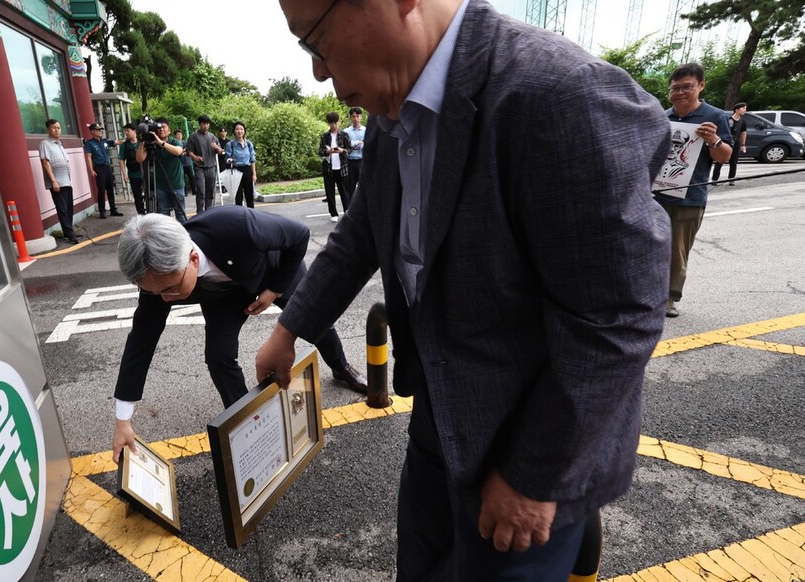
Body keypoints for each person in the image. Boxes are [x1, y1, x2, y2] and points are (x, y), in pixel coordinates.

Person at [256, 1, 672, 579]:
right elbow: (359, 236)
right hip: (439, 417)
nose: (318, 72)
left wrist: (534, 474)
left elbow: (618, 317)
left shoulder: (558, 94)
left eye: (314, 42)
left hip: (530, 447)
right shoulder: (389, 112)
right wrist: (288, 328)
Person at [110, 207, 367, 463]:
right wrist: (123, 420)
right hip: (224, 295)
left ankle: (340, 366)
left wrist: (273, 290)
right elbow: (140, 342)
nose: (165, 299)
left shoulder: (236, 226)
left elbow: (299, 235)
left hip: (273, 271)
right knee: (218, 356)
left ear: (193, 259)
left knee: (316, 319)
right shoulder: (157, 282)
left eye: (171, 290)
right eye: (155, 293)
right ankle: (245, 419)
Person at [656, 63, 732, 318]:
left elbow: (724, 157)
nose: (680, 92)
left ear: (701, 86)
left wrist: (714, 140)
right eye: (675, 88)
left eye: (687, 86)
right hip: (656, 194)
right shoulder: (663, 117)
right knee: (649, 245)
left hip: (689, 197)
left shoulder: (715, 116)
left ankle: (668, 298)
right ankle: (647, 293)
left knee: (677, 250)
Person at [135, 117, 187, 224]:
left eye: (164, 127)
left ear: (169, 130)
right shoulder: (150, 143)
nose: (161, 129)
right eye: (159, 128)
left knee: (180, 214)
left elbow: (178, 151)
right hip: (160, 188)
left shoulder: (174, 142)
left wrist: (161, 143)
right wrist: (142, 141)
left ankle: (184, 238)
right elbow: (139, 158)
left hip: (176, 185)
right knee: (163, 217)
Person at [39, 119, 80, 244]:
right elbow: (45, 163)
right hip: (57, 182)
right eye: (54, 128)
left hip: (66, 181)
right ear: (48, 129)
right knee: (62, 209)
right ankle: (69, 234)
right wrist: (53, 181)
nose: (57, 130)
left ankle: (69, 231)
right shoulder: (45, 144)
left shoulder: (59, 144)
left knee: (68, 208)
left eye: (58, 128)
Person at [186, 115, 226, 214]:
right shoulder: (193, 137)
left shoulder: (212, 137)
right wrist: (195, 157)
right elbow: (188, 151)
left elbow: (221, 152)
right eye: (204, 124)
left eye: (207, 124)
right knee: (201, 191)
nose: (206, 126)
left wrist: (216, 147)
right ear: (200, 124)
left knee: (211, 191)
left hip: (211, 167)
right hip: (199, 168)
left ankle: (209, 212)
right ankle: (200, 213)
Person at [84, 122, 123, 219]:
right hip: (99, 168)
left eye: (101, 130)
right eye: (98, 130)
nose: (100, 131)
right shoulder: (89, 143)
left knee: (110, 189)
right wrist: (91, 170)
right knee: (101, 190)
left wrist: (128, 140)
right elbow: (88, 157)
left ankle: (113, 209)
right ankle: (102, 211)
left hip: (107, 167)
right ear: (92, 132)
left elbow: (116, 142)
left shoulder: (105, 141)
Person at [318, 111, 352, 222]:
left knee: (344, 192)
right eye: (331, 123)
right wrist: (328, 152)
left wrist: (343, 150)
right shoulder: (324, 136)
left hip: (342, 168)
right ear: (328, 123)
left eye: (335, 123)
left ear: (339, 122)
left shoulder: (344, 135)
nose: (333, 126)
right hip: (329, 169)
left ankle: (347, 211)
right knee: (330, 192)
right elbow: (320, 152)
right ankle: (333, 213)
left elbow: (350, 150)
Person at [711, 102, 747, 187]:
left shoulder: (743, 122)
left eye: (745, 108)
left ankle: (731, 179)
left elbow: (743, 133)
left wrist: (743, 144)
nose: (745, 110)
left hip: (736, 141)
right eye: (743, 108)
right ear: (737, 110)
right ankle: (714, 179)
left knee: (734, 161)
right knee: (720, 160)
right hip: (726, 141)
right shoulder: (727, 119)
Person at [225, 122, 257, 208]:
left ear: (244, 131)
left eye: (241, 129)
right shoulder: (230, 145)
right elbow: (227, 159)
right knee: (238, 197)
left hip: (247, 170)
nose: (239, 131)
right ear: (234, 131)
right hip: (236, 171)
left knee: (249, 195)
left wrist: (254, 174)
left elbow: (252, 159)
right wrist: (230, 160)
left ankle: (251, 216)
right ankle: (239, 218)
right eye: (237, 129)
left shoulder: (249, 144)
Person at [119, 123, 146, 215]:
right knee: (137, 196)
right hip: (133, 174)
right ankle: (141, 214)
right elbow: (121, 160)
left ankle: (150, 211)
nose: (126, 133)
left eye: (128, 130)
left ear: (134, 131)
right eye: (125, 131)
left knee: (149, 193)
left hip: (145, 173)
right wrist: (124, 174)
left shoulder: (142, 142)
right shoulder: (124, 145)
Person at [344, 106, 366, 197]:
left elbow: (368, 144)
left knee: (364, 187)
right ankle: (350, 209)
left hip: (362, 161)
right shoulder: (346, 132)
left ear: (361, 117)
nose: (356, 119)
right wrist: (359, 143)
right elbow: (346, 144)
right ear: (350, 117)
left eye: (358, 116)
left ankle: (365, 210)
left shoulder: (366, 130)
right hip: (350, 162)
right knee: (350, 188)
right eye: (353, 116)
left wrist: (352, 144)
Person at [174, 129, 196, 200]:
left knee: (192, 177)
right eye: (178, 135)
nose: (179, 136)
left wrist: (184, 152)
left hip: (188, 163)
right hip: (180, 164)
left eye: (180, 134)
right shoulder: (174, 144)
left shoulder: (185, 142)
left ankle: (194, 190)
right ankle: (185, 192)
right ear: (175, 136)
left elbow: (189, 150)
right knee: (182, 179)